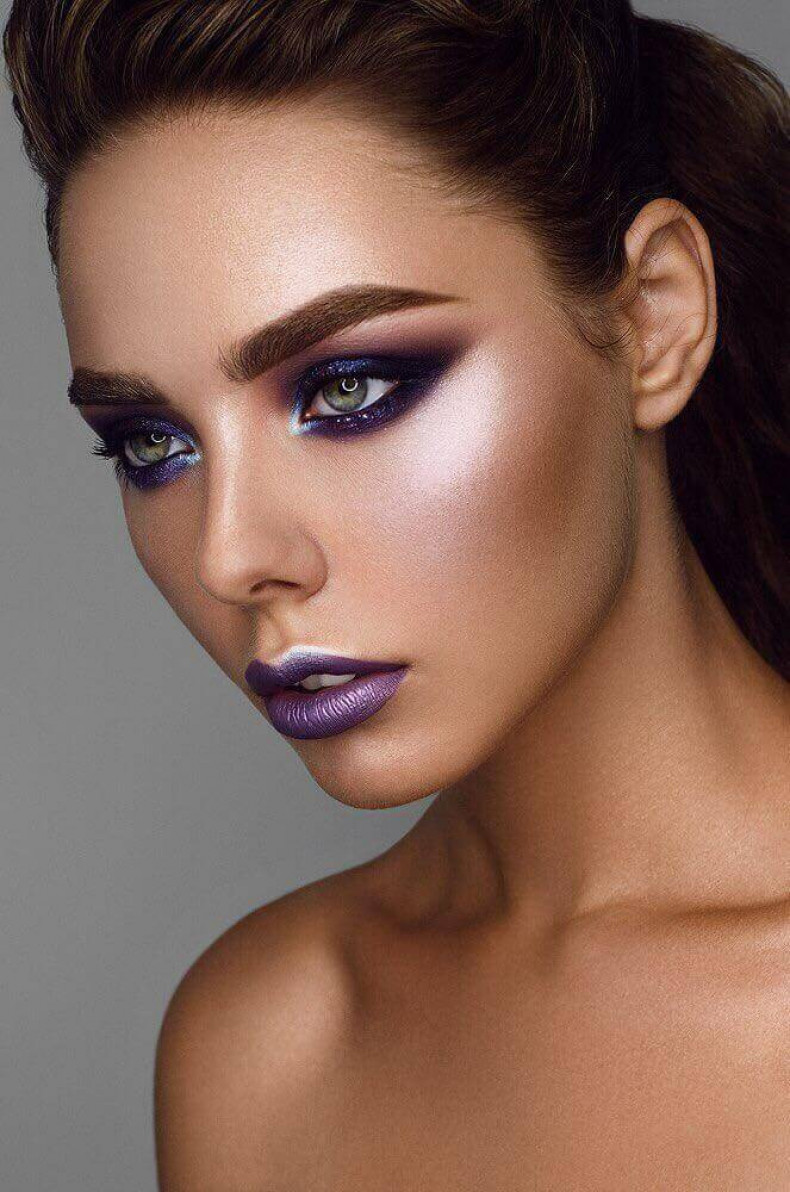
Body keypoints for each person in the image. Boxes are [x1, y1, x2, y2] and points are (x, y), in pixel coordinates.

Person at [4, 1, 788, 1187]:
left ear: (653, 318)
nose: (229, 554)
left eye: (349, 389)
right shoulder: (267, 1046)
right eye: (153, 444)